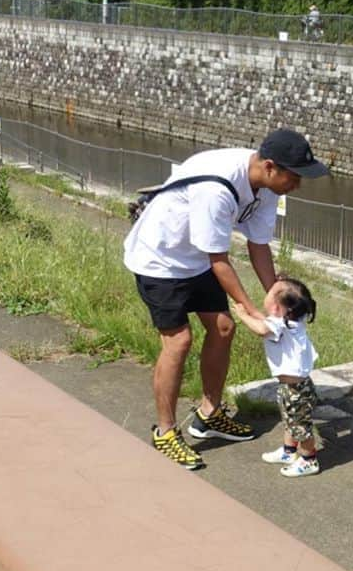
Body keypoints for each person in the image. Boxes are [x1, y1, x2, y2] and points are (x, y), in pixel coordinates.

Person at [123, 128, 329, 470]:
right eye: (295, 177)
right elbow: (219, 260)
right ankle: (165, 431)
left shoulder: (265, 188)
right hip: (160, 258)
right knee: (179, 341)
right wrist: (252, 312)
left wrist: (274, 297)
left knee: (222, 328)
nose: (298, 185)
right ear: (270, 166)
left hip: (198, 257)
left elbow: (258, 245)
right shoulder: (218, 188)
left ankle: (208, 414)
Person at [232, 276, 321, 478]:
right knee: (290, 421)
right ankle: (289, 452)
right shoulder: (291, 320)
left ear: (277, 308)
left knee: (300, 427)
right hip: (292, 387)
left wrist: (242, 315)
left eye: (270, 292)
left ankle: (309, 460)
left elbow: (261, 329)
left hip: (296, 390)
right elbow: (266, 322)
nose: (267, 293)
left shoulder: (280, 325)